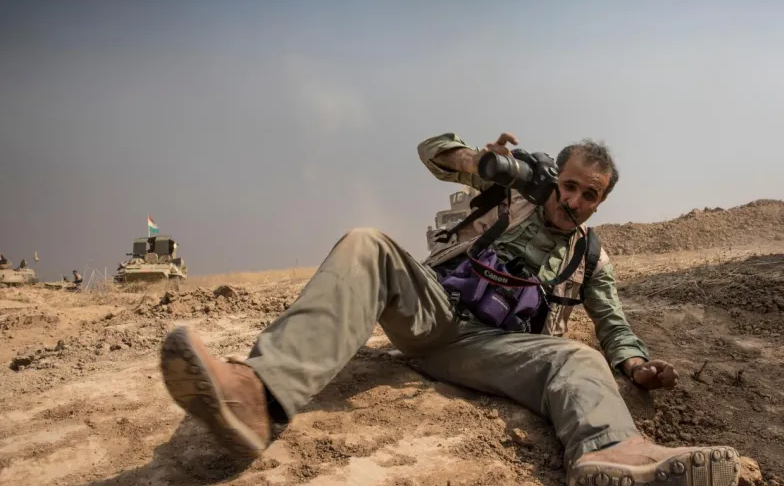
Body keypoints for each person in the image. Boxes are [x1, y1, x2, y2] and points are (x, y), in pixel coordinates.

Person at [158, 132, 743, 486]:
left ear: (601, 200)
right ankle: (258, 396)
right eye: (568, 185)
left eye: (590, 194)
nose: (573, 201)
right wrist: (474, 159)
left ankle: (613, 454)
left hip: (490, 350)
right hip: (433, 310)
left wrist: (636, 366)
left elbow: (613, 323)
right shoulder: (511, 192)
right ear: (556, 177)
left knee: (577, 357)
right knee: (367, 242)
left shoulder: (591, 254)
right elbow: (428, 150)